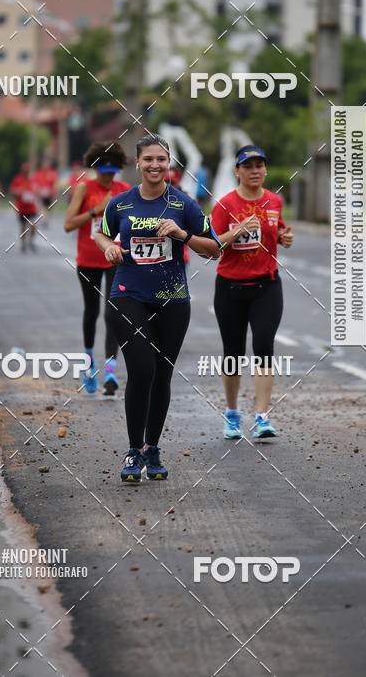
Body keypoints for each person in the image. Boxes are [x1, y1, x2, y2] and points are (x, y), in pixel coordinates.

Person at [94, 134, 221, 482]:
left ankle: (153, 448)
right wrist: (107, 246)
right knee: (141, 370)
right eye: (148, 159)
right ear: (137, 163)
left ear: (169, 164)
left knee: (162, 375)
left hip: (173, 299)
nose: (155, 165)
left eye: (161, 159)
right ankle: (133, 451)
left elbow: (214, 249)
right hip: (127, 294)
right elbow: (101, 233)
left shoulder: (184, 205)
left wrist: (182, 235)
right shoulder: (119, 204)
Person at [210, 145, 294, 442]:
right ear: (237, 171)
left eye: (260, 165)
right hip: (230, 288)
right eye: (248, 166)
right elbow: (211, 247)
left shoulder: (274, 201)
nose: (255, 171)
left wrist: (284, 237)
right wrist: (237, 231)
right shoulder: (224, 205)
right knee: (232, 353)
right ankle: (232, 413)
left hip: (267, 286)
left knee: (263, 346)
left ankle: (261, 417)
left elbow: (278, 230)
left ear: (265, 169)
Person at [64, 142, 129, 395]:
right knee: (91, 311)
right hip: (88, 260)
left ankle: (111, 369)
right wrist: (96, 211)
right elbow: (68, 224)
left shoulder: (124, 190)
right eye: (103, 173)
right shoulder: (84, 188)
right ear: (95, 169)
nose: (108, 178)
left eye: (112, 173)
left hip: (115, 258)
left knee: (113, 313)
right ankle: (89, 363)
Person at [10, 162, 38, 252]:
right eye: (25, 171)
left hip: (31, 207)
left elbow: (38, 190)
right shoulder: (17, 179)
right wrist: (18, 191)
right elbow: (12, 191)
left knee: (33, 225)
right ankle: (23, 243)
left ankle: (31, 241)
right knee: (23, 227)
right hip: (21, 208)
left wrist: (36, 193)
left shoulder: (33, 180)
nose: (26, 173)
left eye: (27, 171)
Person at [34, 158, 59, 226]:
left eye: (47, 164)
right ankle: (45, 220)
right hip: (41, 194)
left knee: (47, 208)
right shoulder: (39, 173)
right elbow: (35, 183)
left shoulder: (52, 173)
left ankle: (45, 219)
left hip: (49, 194)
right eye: (44, 164)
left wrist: (54, 192)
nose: (45, 165)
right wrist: (37, 191)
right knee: (42, 207)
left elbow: (55, 183)